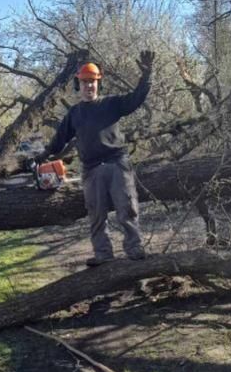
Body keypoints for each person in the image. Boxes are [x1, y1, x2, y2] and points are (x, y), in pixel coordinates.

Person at [37, 51, 154, 267]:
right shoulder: (75, 114)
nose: (89, 86)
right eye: (85, 82)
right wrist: (43, 155)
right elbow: (59, 139)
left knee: (127, 208)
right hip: (91, 169)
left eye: (93, 82)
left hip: (117, 163)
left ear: (98, 84)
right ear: (78, 85)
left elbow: (135, 99)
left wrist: (146, 77)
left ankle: (135, 249)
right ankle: (103, 254)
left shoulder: (112, 104)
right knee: (96, 216)